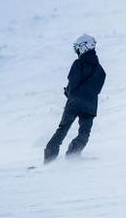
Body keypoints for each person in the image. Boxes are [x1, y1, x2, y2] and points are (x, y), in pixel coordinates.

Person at [44, 34, 106, 163]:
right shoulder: (101, 71)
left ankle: (49, 159)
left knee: (63, 129)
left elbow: (72, 83)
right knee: (84, 133)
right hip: (90, 106)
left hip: (74, 103)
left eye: (77, 48)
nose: (77, 51)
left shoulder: (78, 64)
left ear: (84, 47)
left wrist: (68, 92)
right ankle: (72, 156)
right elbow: (97, 90)